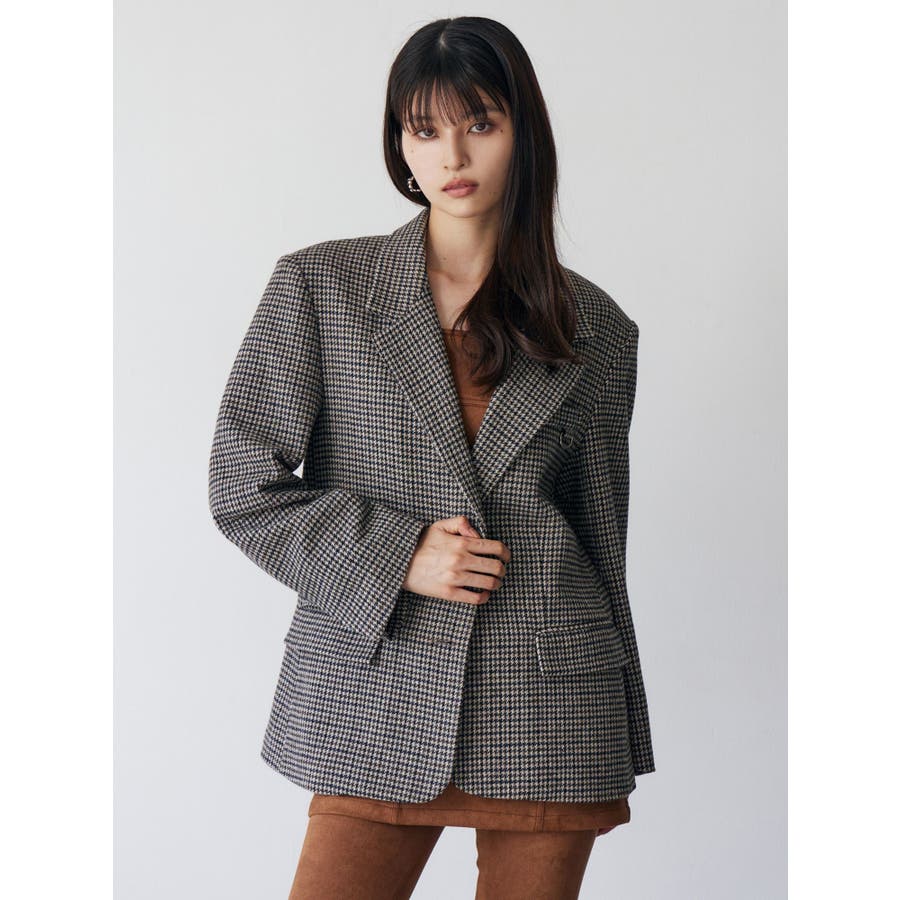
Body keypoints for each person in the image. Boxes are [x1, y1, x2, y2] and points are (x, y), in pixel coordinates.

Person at [208, 15, 655, 900]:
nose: (452, 154)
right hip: (376, 682)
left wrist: (621, 718)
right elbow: (240, 485)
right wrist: (399, 555)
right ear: (400, 146)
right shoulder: (321, 287)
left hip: (548, 701)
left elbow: (604, 539)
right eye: (424, 130)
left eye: (480, 123)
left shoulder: (598, 328)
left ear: (524, 132)